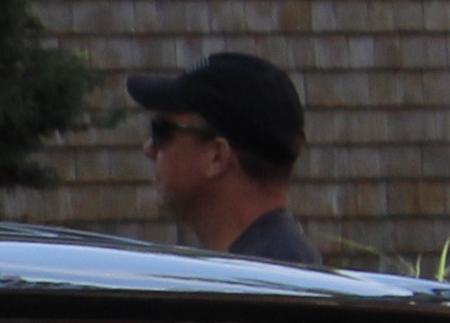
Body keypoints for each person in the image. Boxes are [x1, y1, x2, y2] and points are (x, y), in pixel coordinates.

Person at [128, 49, 318, 266]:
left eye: (161, 131)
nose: (149, 149)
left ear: (217, 156)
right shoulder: (273, 263)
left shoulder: (260, 283)